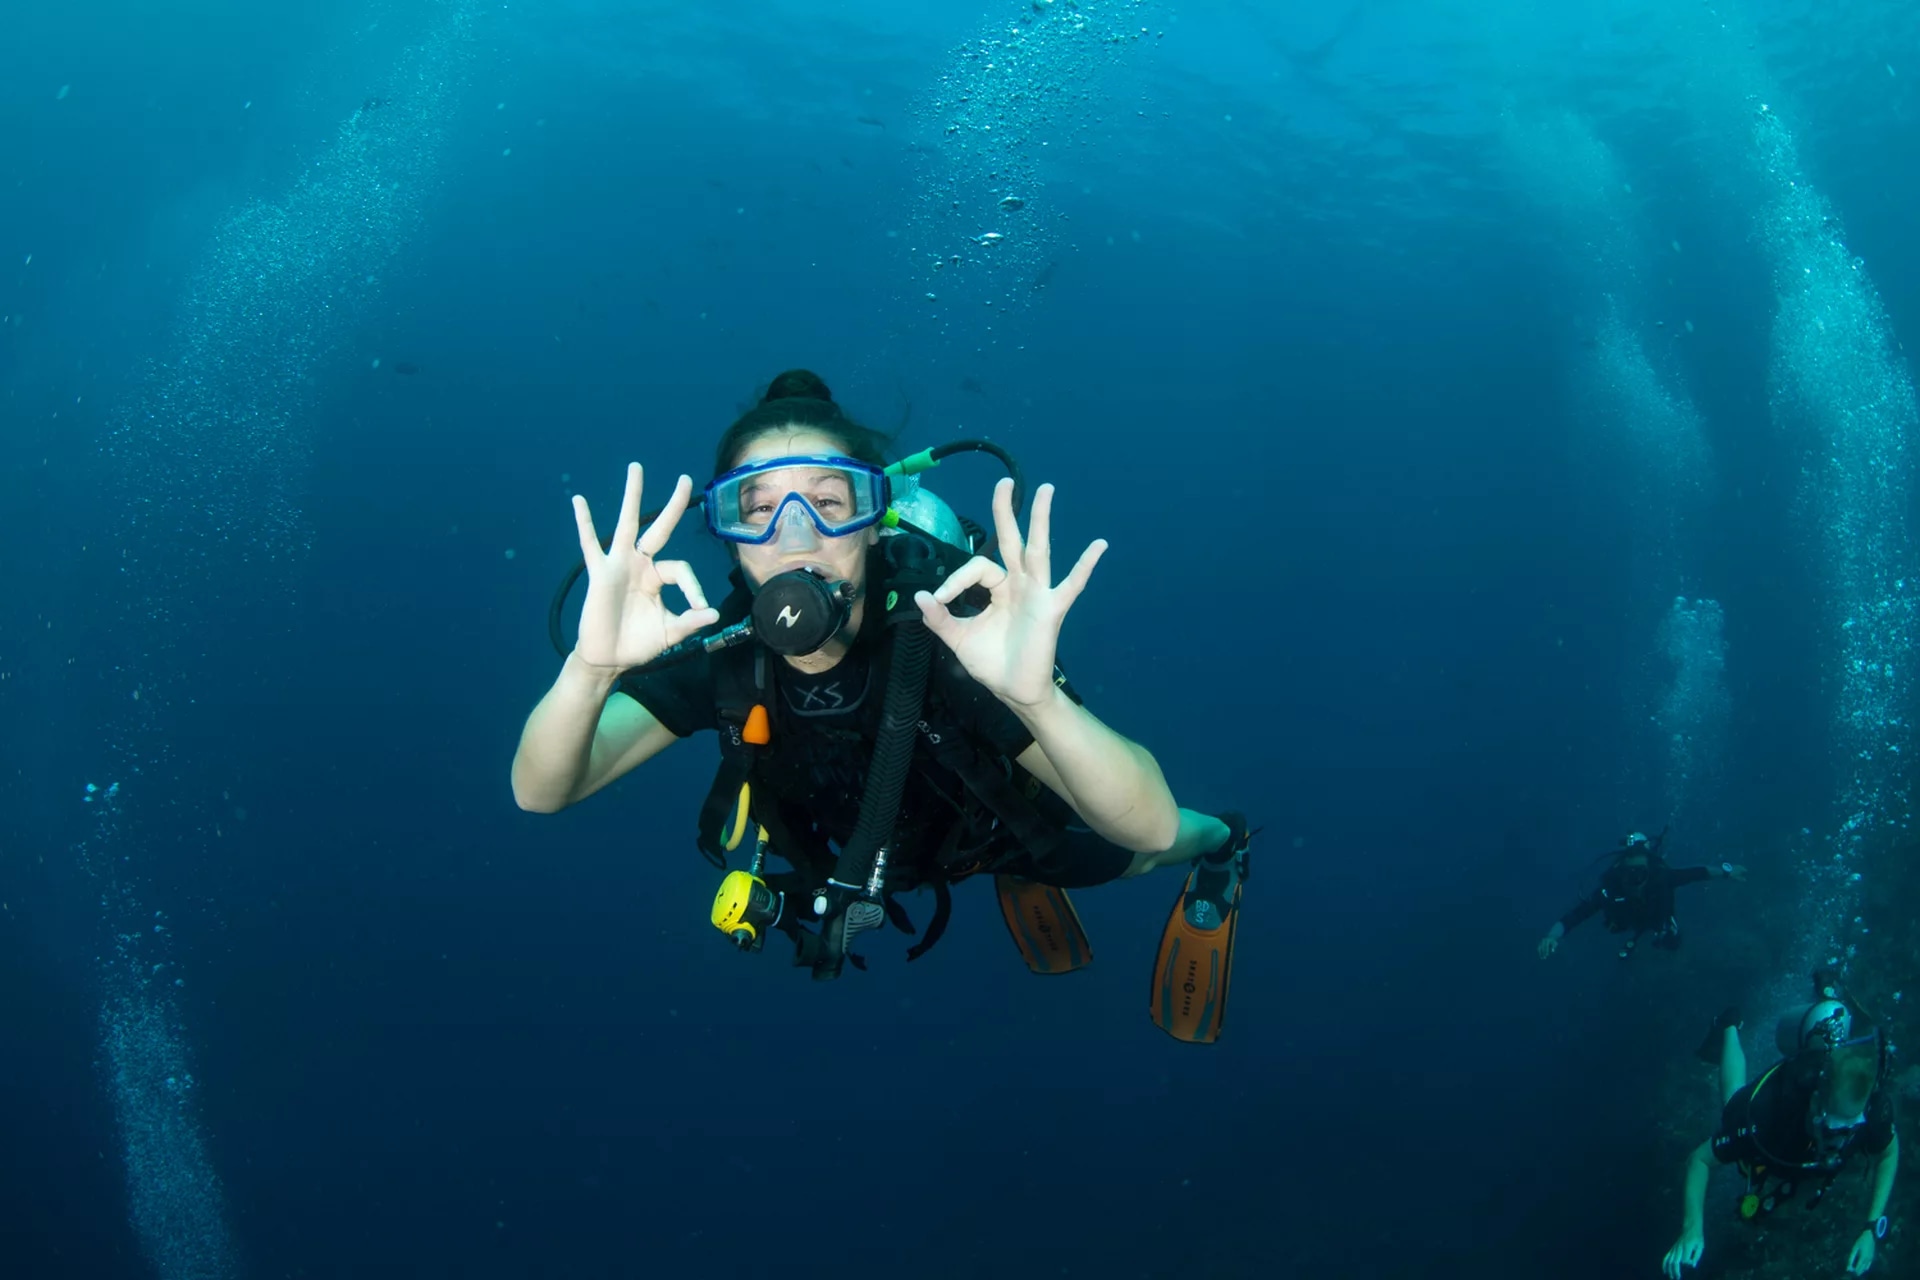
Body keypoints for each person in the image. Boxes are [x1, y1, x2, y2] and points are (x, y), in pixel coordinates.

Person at [510, 370, 1253, 1043]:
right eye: (756, 509)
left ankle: (1224, 842)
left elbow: (1149, 821)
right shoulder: (724, 650)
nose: (794, 537)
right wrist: (587, 669)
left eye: (830, 502)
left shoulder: (947, 627)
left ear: (874, 520)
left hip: (1002, 827)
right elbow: (541, 792)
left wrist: (1036, 702)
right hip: (859, 859)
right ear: (728, 537)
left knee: (1141, 854)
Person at [1663, 973, 1900, 1277]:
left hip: (1827, 1063)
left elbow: (1889, 1153)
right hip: (1789, 1088)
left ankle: (1828, 992)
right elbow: (1699, 1159)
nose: (1840, 1142)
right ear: (1816, 1107)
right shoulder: (1767, 1114)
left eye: (1851, 1131)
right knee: (1732, 1104)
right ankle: (1730, 1025)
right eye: (1833, 1129)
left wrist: (1871, 1228)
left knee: (1831, 1018)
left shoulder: (1873, 1107)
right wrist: (1692, 1227)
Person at [1536, 830, 1746, 960]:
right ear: (1620, 873)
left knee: (1673, 943)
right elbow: (1575, 916)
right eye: (1629, 875)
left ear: (1650, 871)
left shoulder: (1662, 878)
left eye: (1641, 874)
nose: (1635, 881)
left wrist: (1727, 873)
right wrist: (1551, 936)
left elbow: (1698, 872)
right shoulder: (1610, 889)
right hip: (1629, 922)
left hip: (1658, 917)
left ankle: (1663, 932)